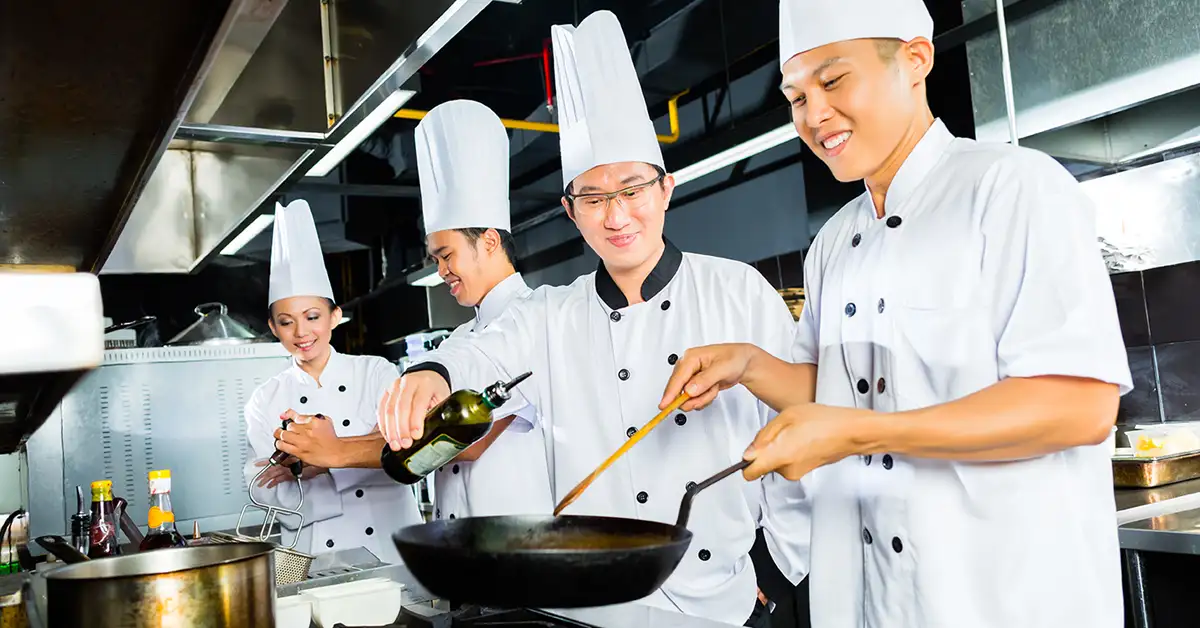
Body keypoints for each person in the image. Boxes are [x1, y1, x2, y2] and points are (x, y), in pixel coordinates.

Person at [659, 1, 1132, 626]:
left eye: (832, 81)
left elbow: (1080, 406)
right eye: (796, 97)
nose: (814, 114)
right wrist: (747, 364)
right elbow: (833, 390)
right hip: (873, 601)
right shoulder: (833, 242)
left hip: (1000, 597)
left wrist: (858, 432)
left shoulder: (1014, 188)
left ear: (915, 61)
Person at [377, 11, 810, 627]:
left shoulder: (735, 290)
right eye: (594, 198)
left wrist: (777, 566)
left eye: (633, 189)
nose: (617, 215)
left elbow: (795, 429)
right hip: (590, 608)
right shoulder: (549, 315)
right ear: (570, 211)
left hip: (719, 599)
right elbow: (484, 353)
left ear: (665, 189)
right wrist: (435, 373)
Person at [243, 198, 424, 566]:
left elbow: (402, 452)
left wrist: (318, 463)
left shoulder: (376, 372)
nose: (301, 332)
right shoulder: (265, 399)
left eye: (312, 316)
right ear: (273, 327)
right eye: (286, 321)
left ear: (335, 316)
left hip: (392, 547)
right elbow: (263, 487)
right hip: (310, 559)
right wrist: (346, 456)